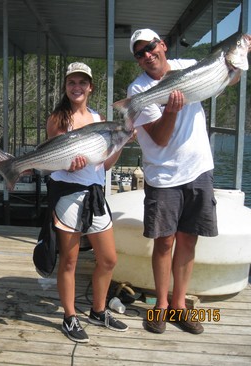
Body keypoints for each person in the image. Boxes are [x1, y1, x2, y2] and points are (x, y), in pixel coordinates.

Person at [126, 28, 224, 335]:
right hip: (163, 175)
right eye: (139, 53)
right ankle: (161, 304)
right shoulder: (138, 90)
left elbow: (224, 77)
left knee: (188, 239)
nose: (147, 55)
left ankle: (180, 305)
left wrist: (236, 61)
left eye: (150, 47)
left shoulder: (188, 67)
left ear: (163, 45)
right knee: (164, 241)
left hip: (198, 169)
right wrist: (171, 109)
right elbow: (161, 137)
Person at [46, 62, 131, 343]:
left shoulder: (99, 118)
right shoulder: (58, 119)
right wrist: (69, 165)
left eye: (83, 82)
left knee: (108, 259)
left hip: (94, 193)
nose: (77, 87)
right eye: (72, 82)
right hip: (68, 194)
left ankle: (98, 310)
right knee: (68, 261)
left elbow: (103, 166)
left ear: (91, 87)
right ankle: (69, 317)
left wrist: (119, 144)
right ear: (66, 87)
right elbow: (58, 161)